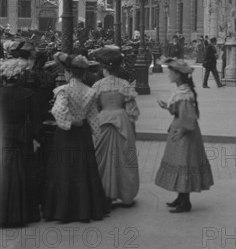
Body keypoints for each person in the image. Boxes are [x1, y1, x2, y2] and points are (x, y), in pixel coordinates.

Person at [42, 53, 110, 223]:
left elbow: (58, 111)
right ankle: (84, 208)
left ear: (69, 73)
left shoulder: (64, 90)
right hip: (83, 135)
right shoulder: (90, 91)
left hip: (66, 135)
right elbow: (94, 115)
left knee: (64, 168)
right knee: (83, 169)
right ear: (84, 74)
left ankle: (62, 209)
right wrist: (96, 133)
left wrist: (70, 122)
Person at [155, 58, 214, 213]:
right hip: (181, 131)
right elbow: (179, 111)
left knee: (184, 164)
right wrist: (167, 107)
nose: (168, 75)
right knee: (181, 163)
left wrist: (183, 130)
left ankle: (185, 202)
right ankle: (181, 198)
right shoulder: (182, 91)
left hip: (184, 134)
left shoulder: (184, 93)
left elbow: (189, 117)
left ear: (178, 75)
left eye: (171, 72)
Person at [92, 46, 140, 206]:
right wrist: (132, 128)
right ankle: (124, 193)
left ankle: (104, 194)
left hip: (103, 121)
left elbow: (93, 108)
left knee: (101, 158)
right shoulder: (124, 84)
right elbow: (132, 111)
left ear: (104, 68)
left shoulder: (98, 85)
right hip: (122, 121)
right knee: (124, 159)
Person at [0, 59, 42, 227]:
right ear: (18, 77)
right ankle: (25, 213)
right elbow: (36, 121)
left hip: (2, 135)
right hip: (22, 136)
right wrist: (38, 138)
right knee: (24, 171)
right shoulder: (28, 94)